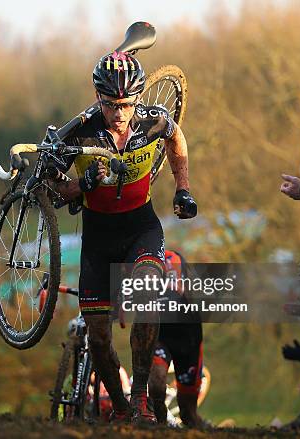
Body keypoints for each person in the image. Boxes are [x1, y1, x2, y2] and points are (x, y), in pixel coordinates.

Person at [52, 51, 197, 423]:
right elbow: (52, 187)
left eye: (127, 104)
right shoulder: (79, 131)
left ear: (138, 99)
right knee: (99, 337)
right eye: (111, 104)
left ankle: (140, 402)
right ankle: (118, 408)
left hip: (141, 228)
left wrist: (183, 188)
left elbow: (176, 137)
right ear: (97, 97)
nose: (119, 113)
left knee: (148, 291)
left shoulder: (153, 120)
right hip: (98, 240)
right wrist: (79, 185)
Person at [147, 250, 205, 427]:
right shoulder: (147, 268)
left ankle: (202, 427)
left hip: (189, 341)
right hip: (161, 336)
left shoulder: (182, 267)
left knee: (188, 413)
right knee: (156, 386)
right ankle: (162, 424)